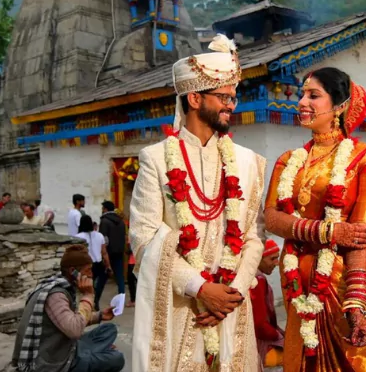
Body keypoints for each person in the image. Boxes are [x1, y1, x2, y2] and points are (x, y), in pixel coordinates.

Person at [129, 34, 266, 372]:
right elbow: (145, 241)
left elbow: (253, 236)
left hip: (231, 307)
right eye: (223, 97)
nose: (231, 105)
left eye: (233, 97)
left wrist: (229, 295)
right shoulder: (156, 159)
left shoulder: (249, 163)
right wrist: (201, 288)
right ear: (194, 98)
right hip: (181, 308)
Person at [263, 67, 366, 372]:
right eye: (301, 94)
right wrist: (326, 231)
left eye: (313, 95)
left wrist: (356, 305)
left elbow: (359, 237)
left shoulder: (365, 159)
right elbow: (271, 217)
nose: (301, 102)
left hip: (347, 284)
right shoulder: (288, 160)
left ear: (339, 105)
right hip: (298, 283)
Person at [10, 244, 123, 372]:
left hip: (65, 345)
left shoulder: (63, 286)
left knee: (109, 329)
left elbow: (72, 318)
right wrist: (88, 295)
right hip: (54, 361)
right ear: (73, 271)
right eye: (88, 270)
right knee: (117, 358)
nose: (91, 275)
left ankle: (92, 352)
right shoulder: (55, 296)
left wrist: (100, 316)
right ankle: (91, 355)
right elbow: (75, 330)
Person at [250, 240, 285, 370]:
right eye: (272, 259)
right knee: (297, 355)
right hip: (259, 345)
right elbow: (259, 325)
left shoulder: (252, 276)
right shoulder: (256, 281)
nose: (276, 263)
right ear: (258, 259)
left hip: (259, 338)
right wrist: (279, 337)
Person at [75, 214, 111, 310]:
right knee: (98, 285)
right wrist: (108, 266)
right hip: (98, 264)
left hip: (85, 266)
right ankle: (96, 300)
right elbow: (104, 253)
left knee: (87, 287)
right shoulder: (99, 235)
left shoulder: (77, 237)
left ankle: (88, 304)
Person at [98, 201, 128, 305]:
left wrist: (103, 254)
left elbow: (103, 240)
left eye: (102, 208)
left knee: (102, 279)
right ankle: (121, 301)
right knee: (120, 278)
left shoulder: (104, 221)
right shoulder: (121, 222)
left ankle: (95, 301)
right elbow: (125, 237)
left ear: (105, 209)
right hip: (119, 252)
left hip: (108, 253)